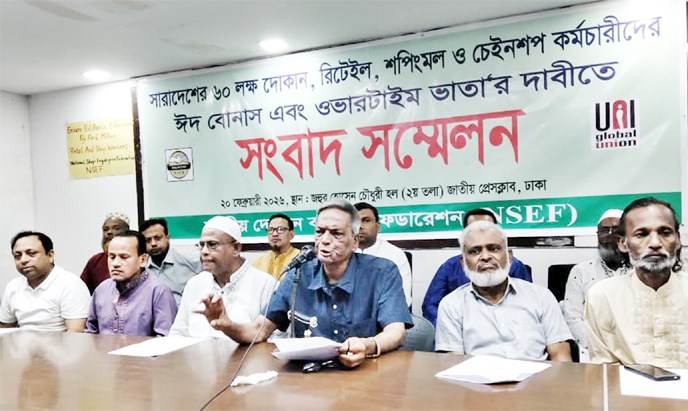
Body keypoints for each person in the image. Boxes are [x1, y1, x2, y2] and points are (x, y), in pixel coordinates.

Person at [194, 199, 413, 368]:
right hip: (308, 378)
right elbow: (258, 331)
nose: (324, 240)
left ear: (355, 241)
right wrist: (227, 325)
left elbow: (396, 331)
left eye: (336, 233)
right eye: (319, 231)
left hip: (366, 372)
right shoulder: (299, 273)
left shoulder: (382, 272)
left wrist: (368, 345)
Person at [435, 220, 572, 361]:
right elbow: (454, 364)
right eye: (475, 251)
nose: (485, 257)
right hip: (479, 375)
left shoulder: (541, 297)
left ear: (509, 256)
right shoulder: (451, 305)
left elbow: (561, 357)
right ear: (463, 262)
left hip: (538, 375)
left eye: (494, 248)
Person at [585, 197, 688, 367]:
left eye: (665, 232)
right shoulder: (602, 296)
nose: (655, 243)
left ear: (677, 240)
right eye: (641, 234)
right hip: (625, 385)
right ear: (623, 243)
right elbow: (604, 369)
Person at [169, 216, 276, 340]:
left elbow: (276, 340)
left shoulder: (266, 285)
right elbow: (178, 333)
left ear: (236, 249)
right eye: (201, 245)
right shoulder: (194, 284)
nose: (204, 251)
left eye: (212, 245)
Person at [422, 209, 532, 326]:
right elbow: (431, 305)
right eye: (473, 229)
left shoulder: (514, 265)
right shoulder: (450, 266)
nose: (481, 232)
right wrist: (450, 327)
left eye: (487, 228)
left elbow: (528, 303)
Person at [562, 209, 631, 362]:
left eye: (616, 229)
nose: (610, 235)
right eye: (604, 230)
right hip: (591, 350)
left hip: (634, 350)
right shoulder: (581, 271)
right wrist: (600, 347)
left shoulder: (640, 271)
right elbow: (573, 318)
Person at [85, 231, 177, 336]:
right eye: (112, 257)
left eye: (124, 257)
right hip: (104, 347)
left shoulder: (158, 291)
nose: (115, 263)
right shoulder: (102, 289)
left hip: (144, 347)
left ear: (142, 260)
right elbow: (91, 334)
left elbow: (165, 339)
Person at [0, 231, 90, 332]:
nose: (23, 260)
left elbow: (76, 333)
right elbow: (5, 329)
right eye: (18, 255)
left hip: (60, 342)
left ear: (50, 256)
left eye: (31, 253)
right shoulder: (13, 286)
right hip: (21, 341)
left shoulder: (70, 284)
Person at [354, 202, 412, 307]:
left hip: (385, 314)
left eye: (366, 220)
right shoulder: (338, 254)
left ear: (378, 226)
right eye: (355, 221)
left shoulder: (394, 255)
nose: (360, 226)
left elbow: (403, 299)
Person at [140, 218, 202, 305]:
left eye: (158, 238)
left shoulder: (190, 258)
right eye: (148, 240)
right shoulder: (141, 267)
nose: (153, 244)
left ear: (168, 238)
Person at [81, 212, 129, 294]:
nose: (109, 232)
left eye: (116, 228)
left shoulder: (135, 257)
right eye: (106, 229)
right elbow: (83, 291)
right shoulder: (95, 261)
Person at [251, 213, 301, 280]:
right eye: (271, 230)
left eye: (281, 229)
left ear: (291, 234)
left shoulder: (300, 259)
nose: (274, 234)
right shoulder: (258, 262)